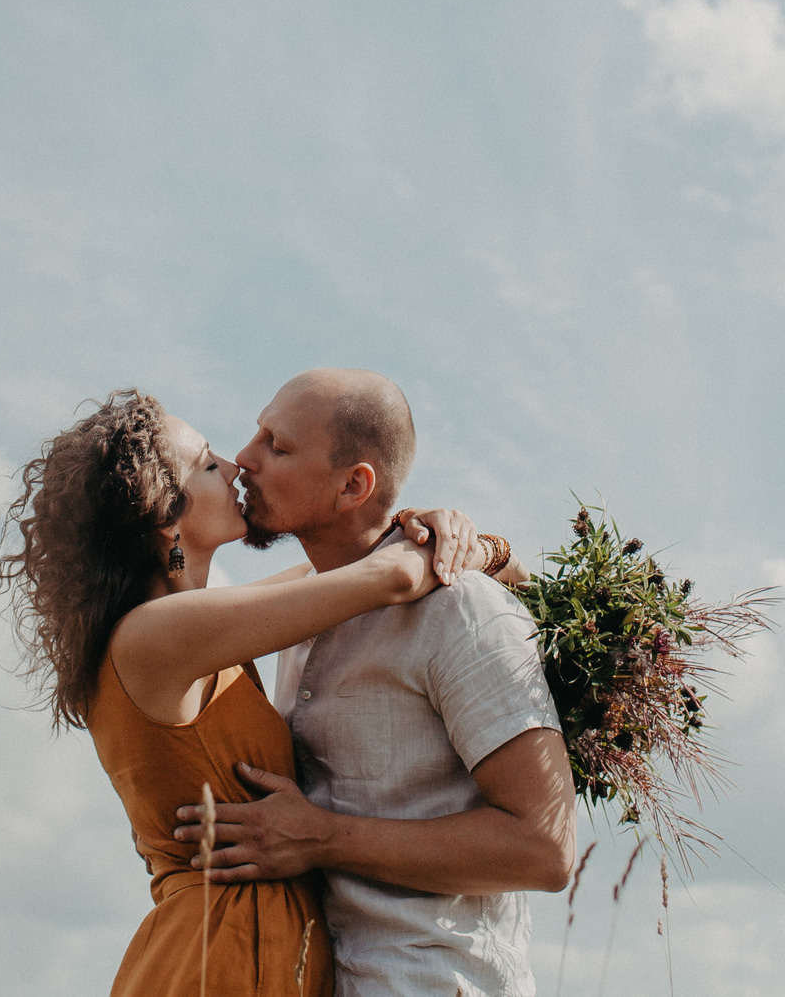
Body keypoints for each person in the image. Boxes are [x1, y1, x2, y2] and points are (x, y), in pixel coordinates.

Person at [0, 387, 498, 997]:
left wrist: (467, 538)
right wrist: (443, 540)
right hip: (218, 957)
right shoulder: (156, 635)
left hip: (254, 947)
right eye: (207, 464)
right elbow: (396, 572)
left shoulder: (193, 626)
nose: (236, 464)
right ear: (165, 510)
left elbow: (354, 566)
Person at [174, 368, 574, 997]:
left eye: (277, 446)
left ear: (353, 485)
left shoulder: (461, 609)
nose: (244, 459)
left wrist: (323, 838)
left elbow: (544, 848)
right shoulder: (301, 618)